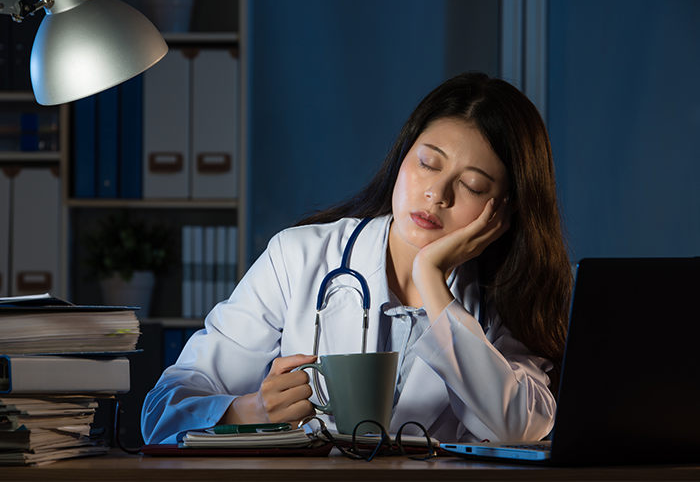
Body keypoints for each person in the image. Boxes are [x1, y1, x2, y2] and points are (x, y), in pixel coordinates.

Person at [141, 72, 573, 445]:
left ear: (506, 209)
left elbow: (518, 427)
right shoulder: (299, 258)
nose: (436, 195)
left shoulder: (509, 295)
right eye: (427, 163)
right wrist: (249, 410)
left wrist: (432, 280)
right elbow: (161, 414)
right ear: (403, 155)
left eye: (473, 186)